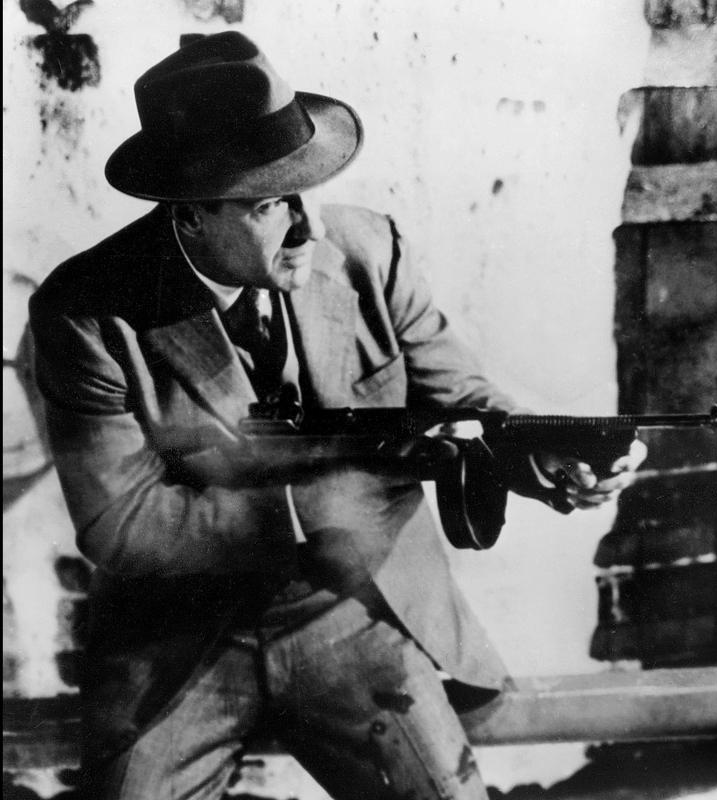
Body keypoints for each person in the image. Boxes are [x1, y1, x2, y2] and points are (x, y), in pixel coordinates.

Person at [29, 31, 646, 800]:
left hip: (351, 611)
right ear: (189, 216)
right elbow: (119, 521)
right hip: (176, 637)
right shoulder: (87, 311)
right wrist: (304, 511)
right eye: (269, 204)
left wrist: (538, 456)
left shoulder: (370, 251)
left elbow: (462, 401)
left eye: (308, 191)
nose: (309, 228)